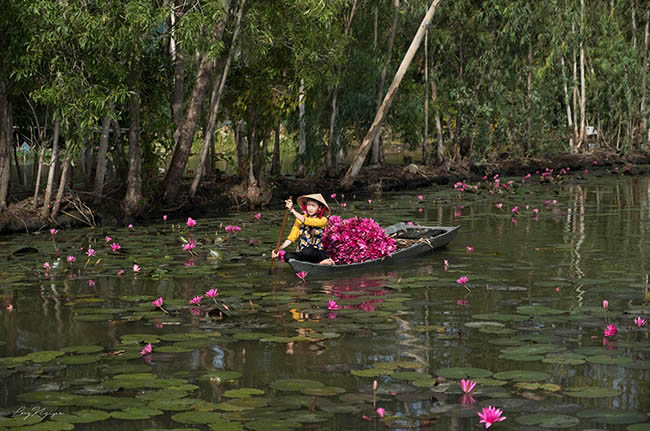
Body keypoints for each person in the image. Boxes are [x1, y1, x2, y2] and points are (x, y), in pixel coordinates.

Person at [271, 194, 335, 265]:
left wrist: (292, 210)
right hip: (302, 253)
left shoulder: (323, 220)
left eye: (313, 206)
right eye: (308, 205)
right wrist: (278, 249)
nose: (310, 208)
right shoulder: (299, 220)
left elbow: (308, 221)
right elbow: (291, 238)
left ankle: (327, 260)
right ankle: (310, 264)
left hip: (316, 253)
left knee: (307, 251)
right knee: (287, 256)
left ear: (319, 208)